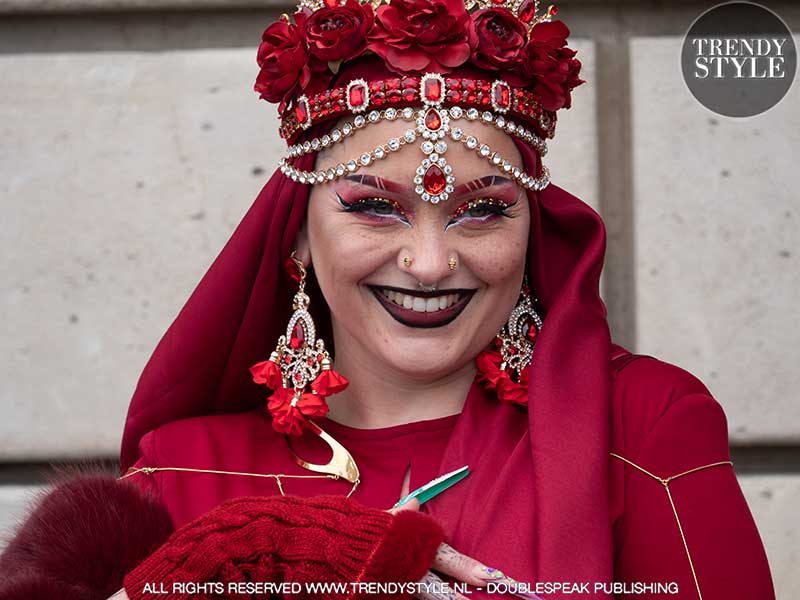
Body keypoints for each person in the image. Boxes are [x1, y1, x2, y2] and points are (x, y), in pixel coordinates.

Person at [0, 1, 776, 599]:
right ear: (296, 237)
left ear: (533, 230)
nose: (432, 262)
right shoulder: (177, 480)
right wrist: (226, 559)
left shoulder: (640, 426)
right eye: (373, 206)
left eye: (483, 209)